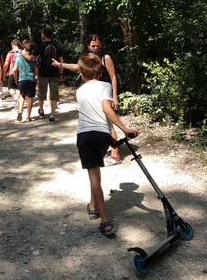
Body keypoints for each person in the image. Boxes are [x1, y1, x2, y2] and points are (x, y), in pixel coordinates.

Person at [76, 53, 139, 236]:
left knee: (94, 177)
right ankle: (93, 206)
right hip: (103, 136)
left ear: (81, 74)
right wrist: (123, 129)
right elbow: (105, 109)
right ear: (100, 70)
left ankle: (105, 221)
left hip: (85, 136)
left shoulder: (79, 91)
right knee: (95, 174)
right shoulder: (105, 85)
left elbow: (96, 111)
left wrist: (123, 129)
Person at [52, 33, 121, 166]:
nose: (95, 48)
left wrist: (115, 97)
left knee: (110, 123)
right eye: (93, 45)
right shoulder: (88, 58)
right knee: (99, 122)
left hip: (105, 93)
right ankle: (101, 148)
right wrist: (60, 64)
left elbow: (113, 77)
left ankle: (115, 154)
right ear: (88, 46)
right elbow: (77, 66)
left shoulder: (106, 58)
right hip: (93, 94)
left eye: (98, 46)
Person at [34, 28, 63, 124]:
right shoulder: (57, 46)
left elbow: (32, 57)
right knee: (54, 94)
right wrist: (61, 73)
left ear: (43, 35)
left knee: (42, 92)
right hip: (54, 73)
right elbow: (61, 61)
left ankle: (41, 111)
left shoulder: (40, 46)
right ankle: (52, 115)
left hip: (43, 73)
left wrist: (23, 55)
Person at [11, 43, 39, 122]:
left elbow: (15, 70)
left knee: (22, 96)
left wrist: (16, 79)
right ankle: (28, 117)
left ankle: (20, 111)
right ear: (32, 50)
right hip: (30, 79)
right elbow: (36, 69)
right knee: (29, 98)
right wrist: (37, 77)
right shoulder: (33, 59)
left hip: (22, 79)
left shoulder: (19, 58)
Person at [3, 39, 22, 110]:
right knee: (18, 88)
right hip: (21, 72)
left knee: (10, 87)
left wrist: (4, 72)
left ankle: (16, 99)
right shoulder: (22, 52)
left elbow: (6, 64)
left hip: (12, 71)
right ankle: (19, 104)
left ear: (12, 45)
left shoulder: (10, 53)